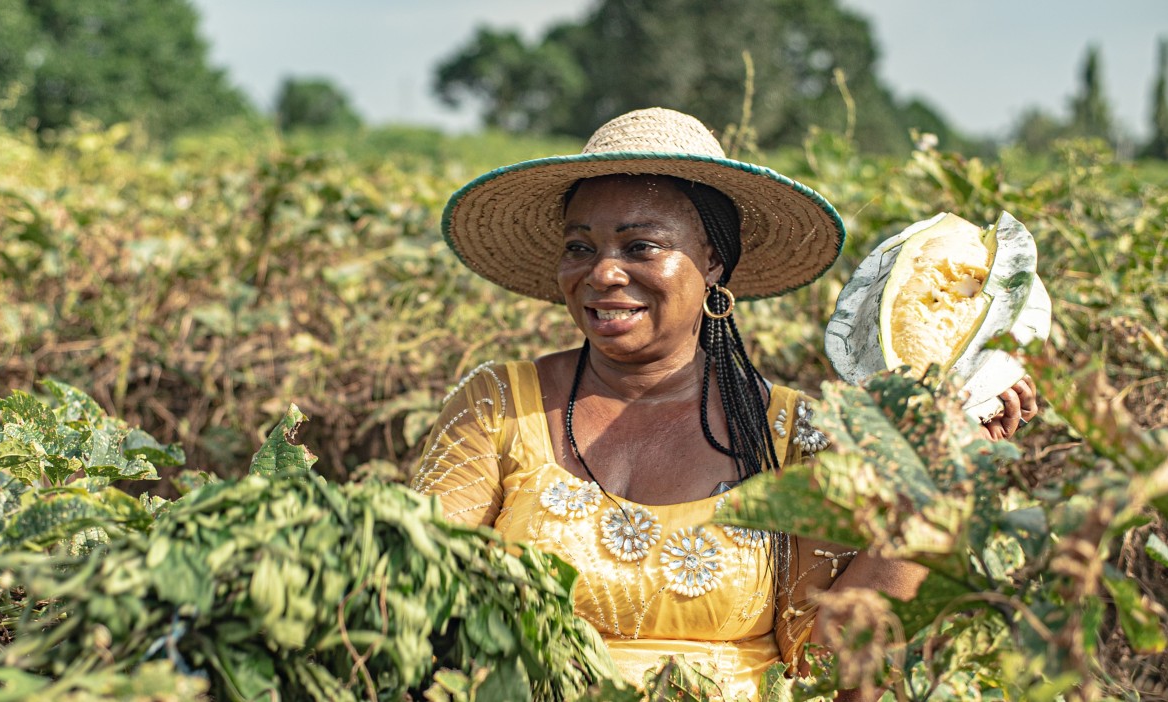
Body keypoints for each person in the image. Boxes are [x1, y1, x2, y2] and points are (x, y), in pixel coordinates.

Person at [411, 107, 1038, 698]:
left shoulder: (791, 433)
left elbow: (830, 662)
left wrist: (934, 486)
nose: (602, 273)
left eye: (640, 246)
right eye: (580, 247)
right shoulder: (497, 405)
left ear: (712, 260)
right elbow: (412, 599)